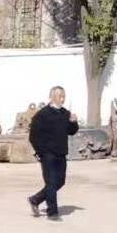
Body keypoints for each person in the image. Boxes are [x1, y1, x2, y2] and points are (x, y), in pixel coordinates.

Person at [27, 86, 79, 221]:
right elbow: (33, 136)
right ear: (51, 97)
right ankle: (53, 212)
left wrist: (73, 122)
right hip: (47, 154)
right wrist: (40, 152)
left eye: (63, 96)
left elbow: (71, 131)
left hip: (61, 153)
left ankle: (35, 199)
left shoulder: (65, 113)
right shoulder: (42, 115)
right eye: (59, 95)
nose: (62, 98)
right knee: (50, 182)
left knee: (60, 182)